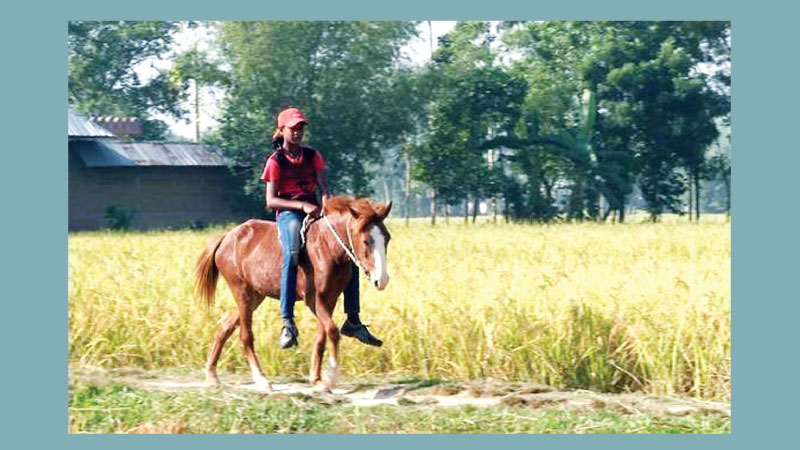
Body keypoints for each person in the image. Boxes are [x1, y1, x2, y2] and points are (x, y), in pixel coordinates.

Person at [260, 106, 383, 349]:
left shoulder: (312, 155)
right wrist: (301, 205)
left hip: (315, 210)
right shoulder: (275, 161)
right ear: (282, 130)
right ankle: (287, 322)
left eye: (301, 128)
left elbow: (322, 185)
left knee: (349, 251)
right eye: (293, 128)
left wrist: (327, 202)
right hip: (288, 214)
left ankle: (353, 319)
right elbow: (270, 200)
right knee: (292, 251)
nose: (298, 132)